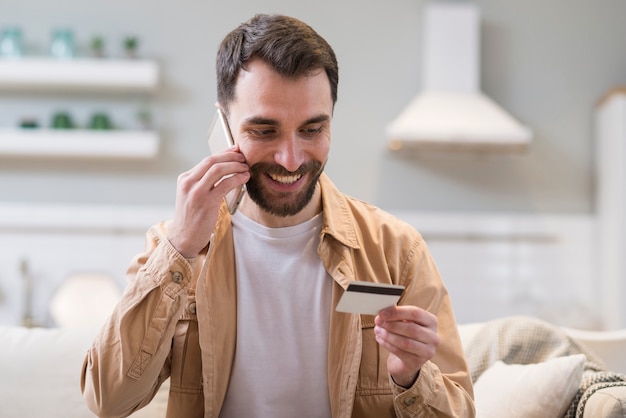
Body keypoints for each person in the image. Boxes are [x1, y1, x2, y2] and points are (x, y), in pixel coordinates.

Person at [81, 13, 475, 418]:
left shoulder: (397, 251)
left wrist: (411, 378)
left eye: (311, 130)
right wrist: (179, 248)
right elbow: (107, 400)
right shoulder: (175, 248)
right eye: (264, 131)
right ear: (224, 124)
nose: (290, 159)